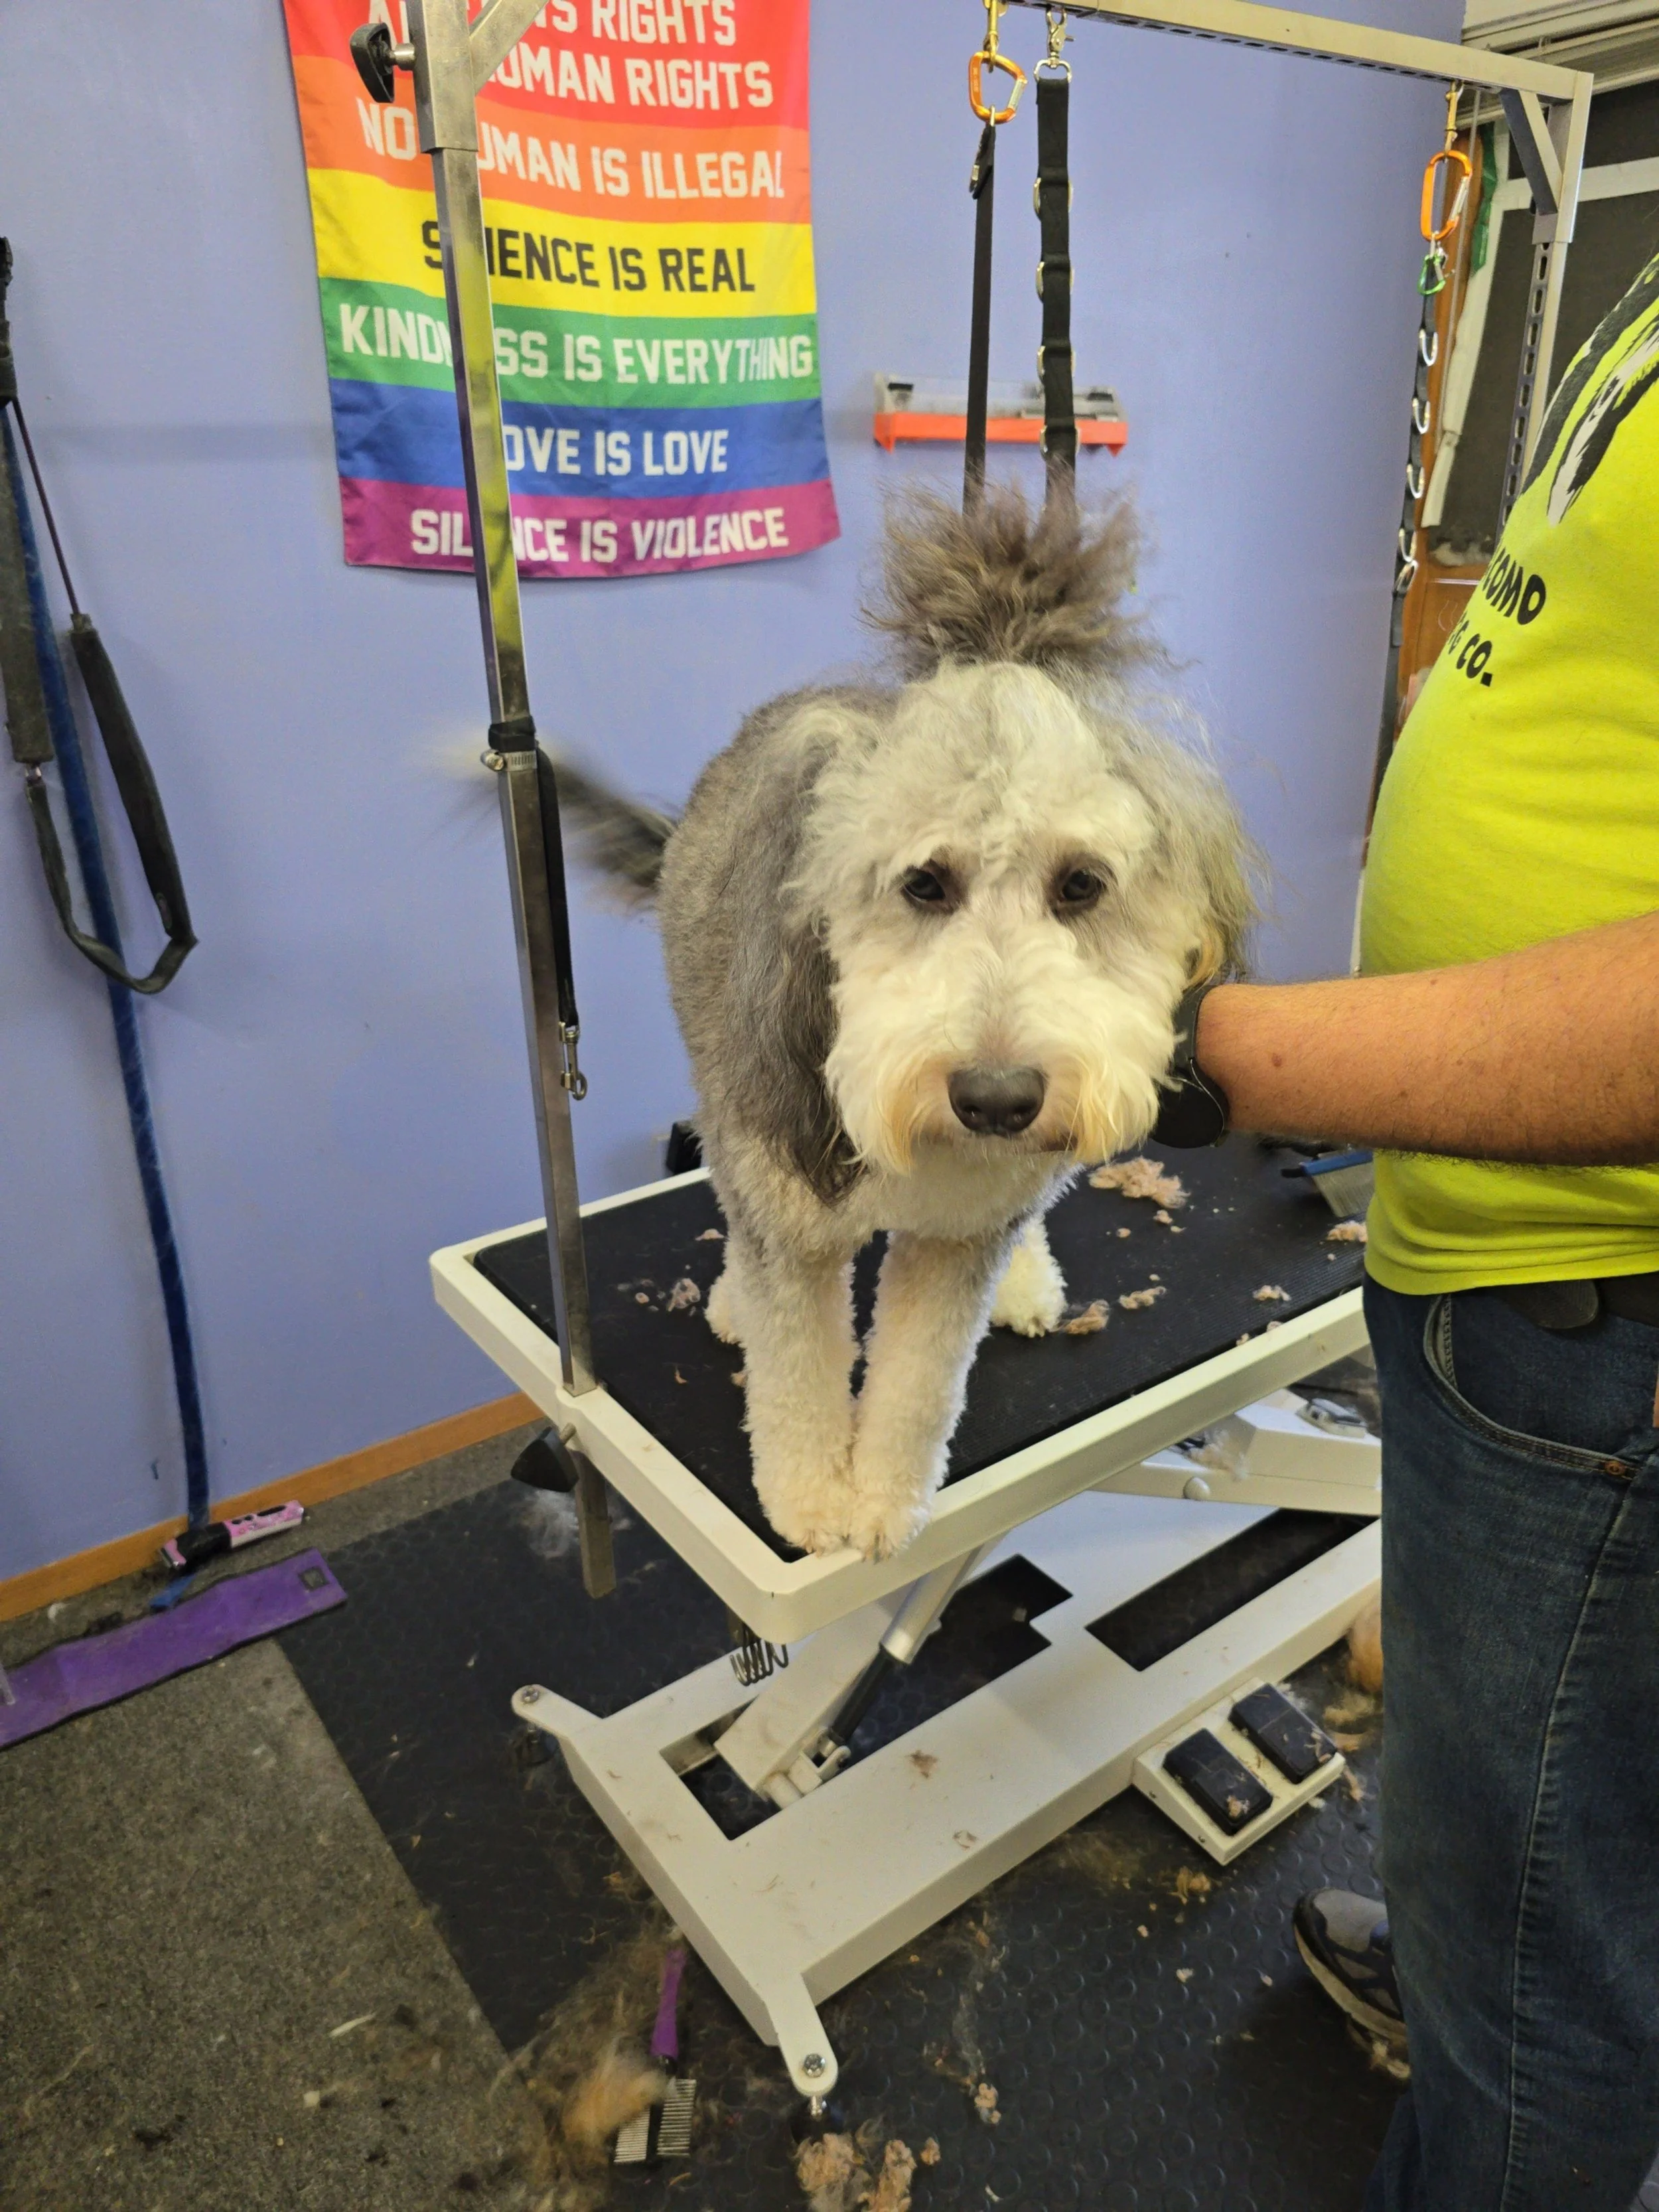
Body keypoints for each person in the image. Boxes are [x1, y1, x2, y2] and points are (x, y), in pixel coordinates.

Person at [1179, 250, 1659, 2212]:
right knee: (1540, 1788)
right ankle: (1502, 1935)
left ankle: (1517, 2040)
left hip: (1597, 1305)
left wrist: (1220, 1058)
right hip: (1502, 1266)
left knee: (1543, 1981)